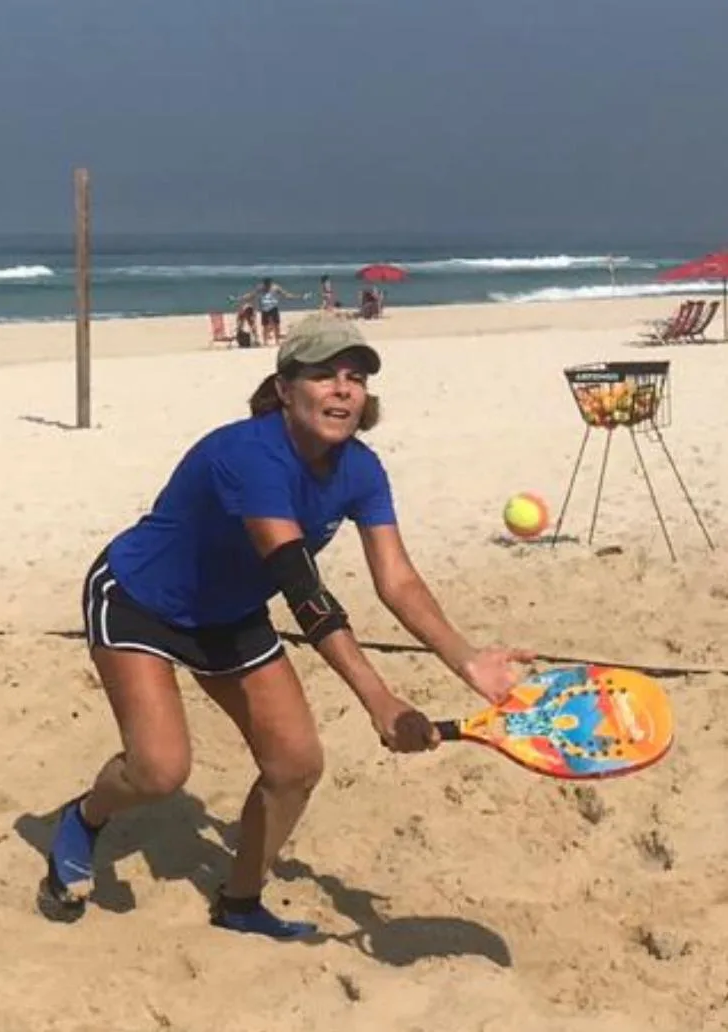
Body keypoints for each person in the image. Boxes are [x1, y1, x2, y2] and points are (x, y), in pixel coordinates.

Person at [45, 312, 530, 940]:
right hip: (140, 601)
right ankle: (85, 818)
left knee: (296, 764)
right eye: (324, 374)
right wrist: (379, 700)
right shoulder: (250, 455)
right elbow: (302, 588)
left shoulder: (361, 470)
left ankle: (240, 904)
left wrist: (468, 660)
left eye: (355, 377)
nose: (343, 389)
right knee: (160, 770)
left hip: (230, 615)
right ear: (284, 388)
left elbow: (398, 582)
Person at [242, 277, 305, 347]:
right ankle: (265, 342)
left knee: (276, 325)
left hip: (273, 307)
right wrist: (246, 297)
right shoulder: (260, 288)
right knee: (265, 326)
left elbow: (285, 294)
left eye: (268, 283)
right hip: (264, 308)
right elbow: (252, 294)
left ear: (270, 283)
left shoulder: (275, 288)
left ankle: (277, 341)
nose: (266, 285)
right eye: (265, 283)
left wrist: (297, 296)